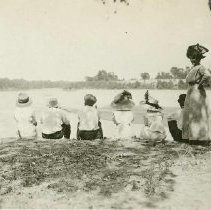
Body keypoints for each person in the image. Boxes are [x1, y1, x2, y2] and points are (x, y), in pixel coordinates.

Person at [182, 43, 211, 145]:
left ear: (198, 58)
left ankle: (199, 138)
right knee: (189, 113)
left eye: (194, 57)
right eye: (190, 57)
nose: (192, 59)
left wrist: (199, 85)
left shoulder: (200, 67)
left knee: (196, 113)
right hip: (191, 90)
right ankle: (191, 136)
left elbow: (207, 75)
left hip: (196, 91)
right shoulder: (194, 67)